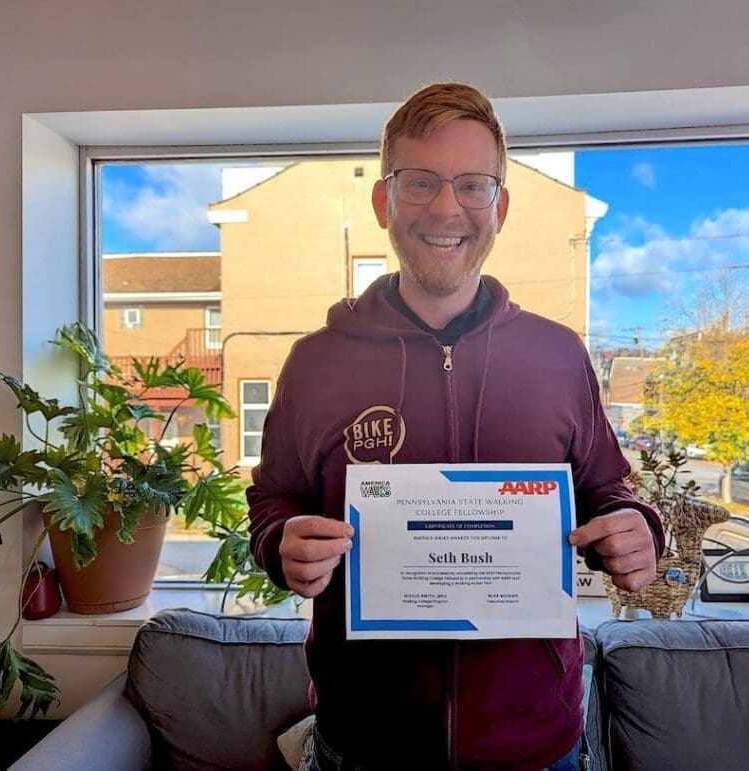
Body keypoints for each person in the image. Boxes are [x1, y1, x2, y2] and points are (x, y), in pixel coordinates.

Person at [248, 82, 663, 771]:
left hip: (537, 747)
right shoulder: (315, 362)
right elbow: (272, 501)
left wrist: (637, 530)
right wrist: (278, 543)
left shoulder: (558, 355)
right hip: (365, 748)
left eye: (473, 185)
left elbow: (607, 490)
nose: (446, 207)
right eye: (420, 183)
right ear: (383, 202)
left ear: (499, 206)